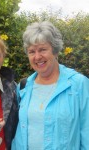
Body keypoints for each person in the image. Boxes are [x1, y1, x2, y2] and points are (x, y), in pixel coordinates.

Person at [11, 21, 89, 150]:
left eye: (42, 49)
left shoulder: (79, 84)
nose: (37, 57)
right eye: (31, 51)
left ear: (55, 51)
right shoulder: (24, 86)